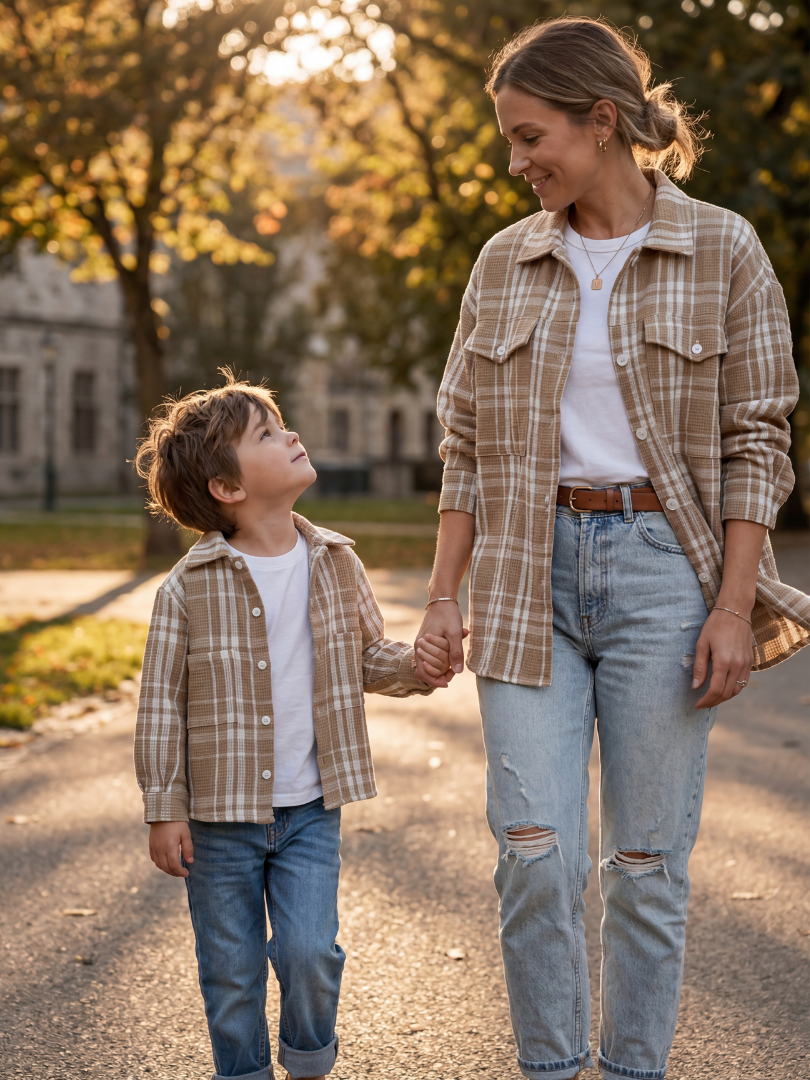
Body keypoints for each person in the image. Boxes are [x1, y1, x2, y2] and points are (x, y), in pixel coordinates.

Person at [413, 17, 809, 1080]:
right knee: (534, 854)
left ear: (602, 122)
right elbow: (463, 446)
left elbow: (756, 439)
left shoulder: (722, 246)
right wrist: (443, 597)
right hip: (525, 576)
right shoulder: (505, 260)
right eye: (508, 140)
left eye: (530, 135)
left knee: (644, 864)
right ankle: (550, 1066)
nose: (516, 161)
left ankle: (634, 1068)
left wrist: (732, 606)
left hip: (663, 580)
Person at [133, 375, 450, 1080]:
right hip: (218, 822)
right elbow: (161, 705)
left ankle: (308, 1063)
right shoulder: (186, 588)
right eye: (268, 434)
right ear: (228, 488)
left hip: (310, 810)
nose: (293, 435)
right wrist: (164, 810)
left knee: (310, 951)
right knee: (231, 970)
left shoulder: (335, 561)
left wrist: (419, 666)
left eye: (281, 425)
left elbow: (368, 655)